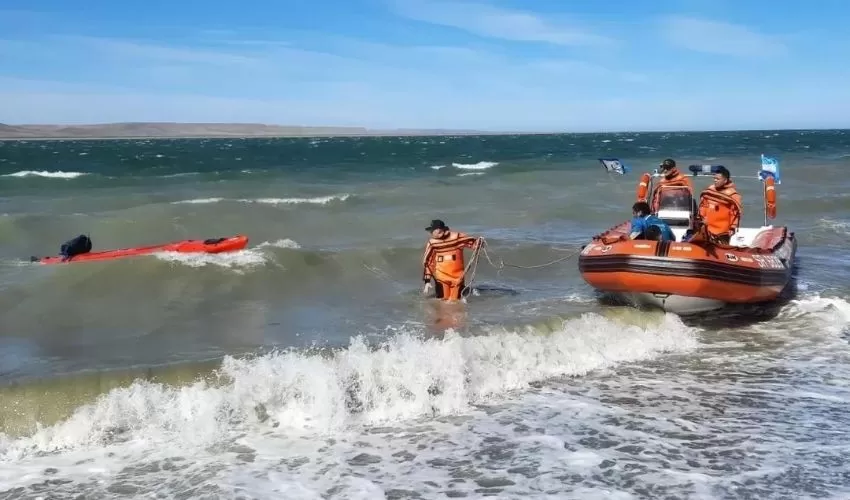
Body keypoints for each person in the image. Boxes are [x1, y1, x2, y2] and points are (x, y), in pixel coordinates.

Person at [421, 219, 481, 301]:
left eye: (432, 231)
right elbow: (428, 261)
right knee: (443, 300)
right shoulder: (432, 243)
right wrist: (427, 281)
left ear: (440, 230)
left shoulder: (457, 237)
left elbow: (473, 244)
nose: (431, 233)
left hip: (457, 277)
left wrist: (479, 243)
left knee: (454, 301)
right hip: (441, 277)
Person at [696, 166, 743, 245]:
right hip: (707, 227)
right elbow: (703, 206)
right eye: (714, 178)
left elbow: (735, 214)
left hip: (723, 231)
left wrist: (732, 227)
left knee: (721, 249)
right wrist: (700, 218)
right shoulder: (710, 190)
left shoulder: (733, 195)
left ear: (725, 180)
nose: (715, 180)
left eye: (718, 179)